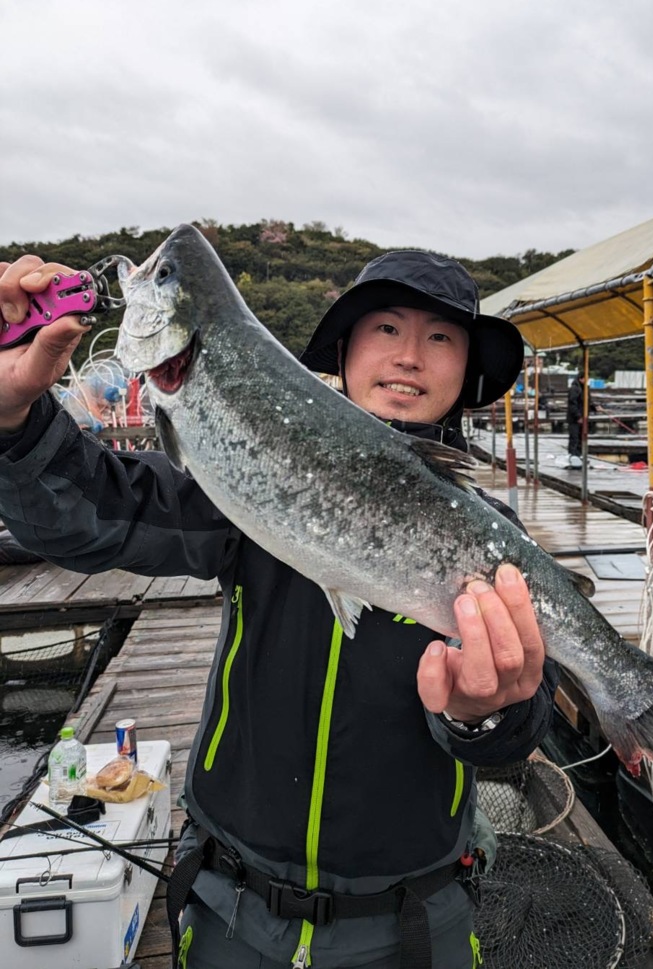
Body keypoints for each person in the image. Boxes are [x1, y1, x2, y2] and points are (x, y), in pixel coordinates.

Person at [0, 247, 557, 969]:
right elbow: (92, 514)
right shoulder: (251, 481)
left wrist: (480, 712)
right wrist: (15, 421)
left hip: (415, 921)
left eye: (442, 337)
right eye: (387, 327)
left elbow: (520, 722)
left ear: (466, 369)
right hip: (234, 903)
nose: (411, 356)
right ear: (348, 349)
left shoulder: (488, 538)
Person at [566, 372, 595, 467]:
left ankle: (579, 455)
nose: (587, 380)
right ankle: (572, 455)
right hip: (575, 418)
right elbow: (572, 404)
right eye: (585, 378)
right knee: (574, 437)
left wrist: (595, 407)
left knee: (581, 437)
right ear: (580, 378)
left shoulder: (585, 389)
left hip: (584, 417)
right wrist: (578, 416)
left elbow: (588, 402)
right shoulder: (574, 389)